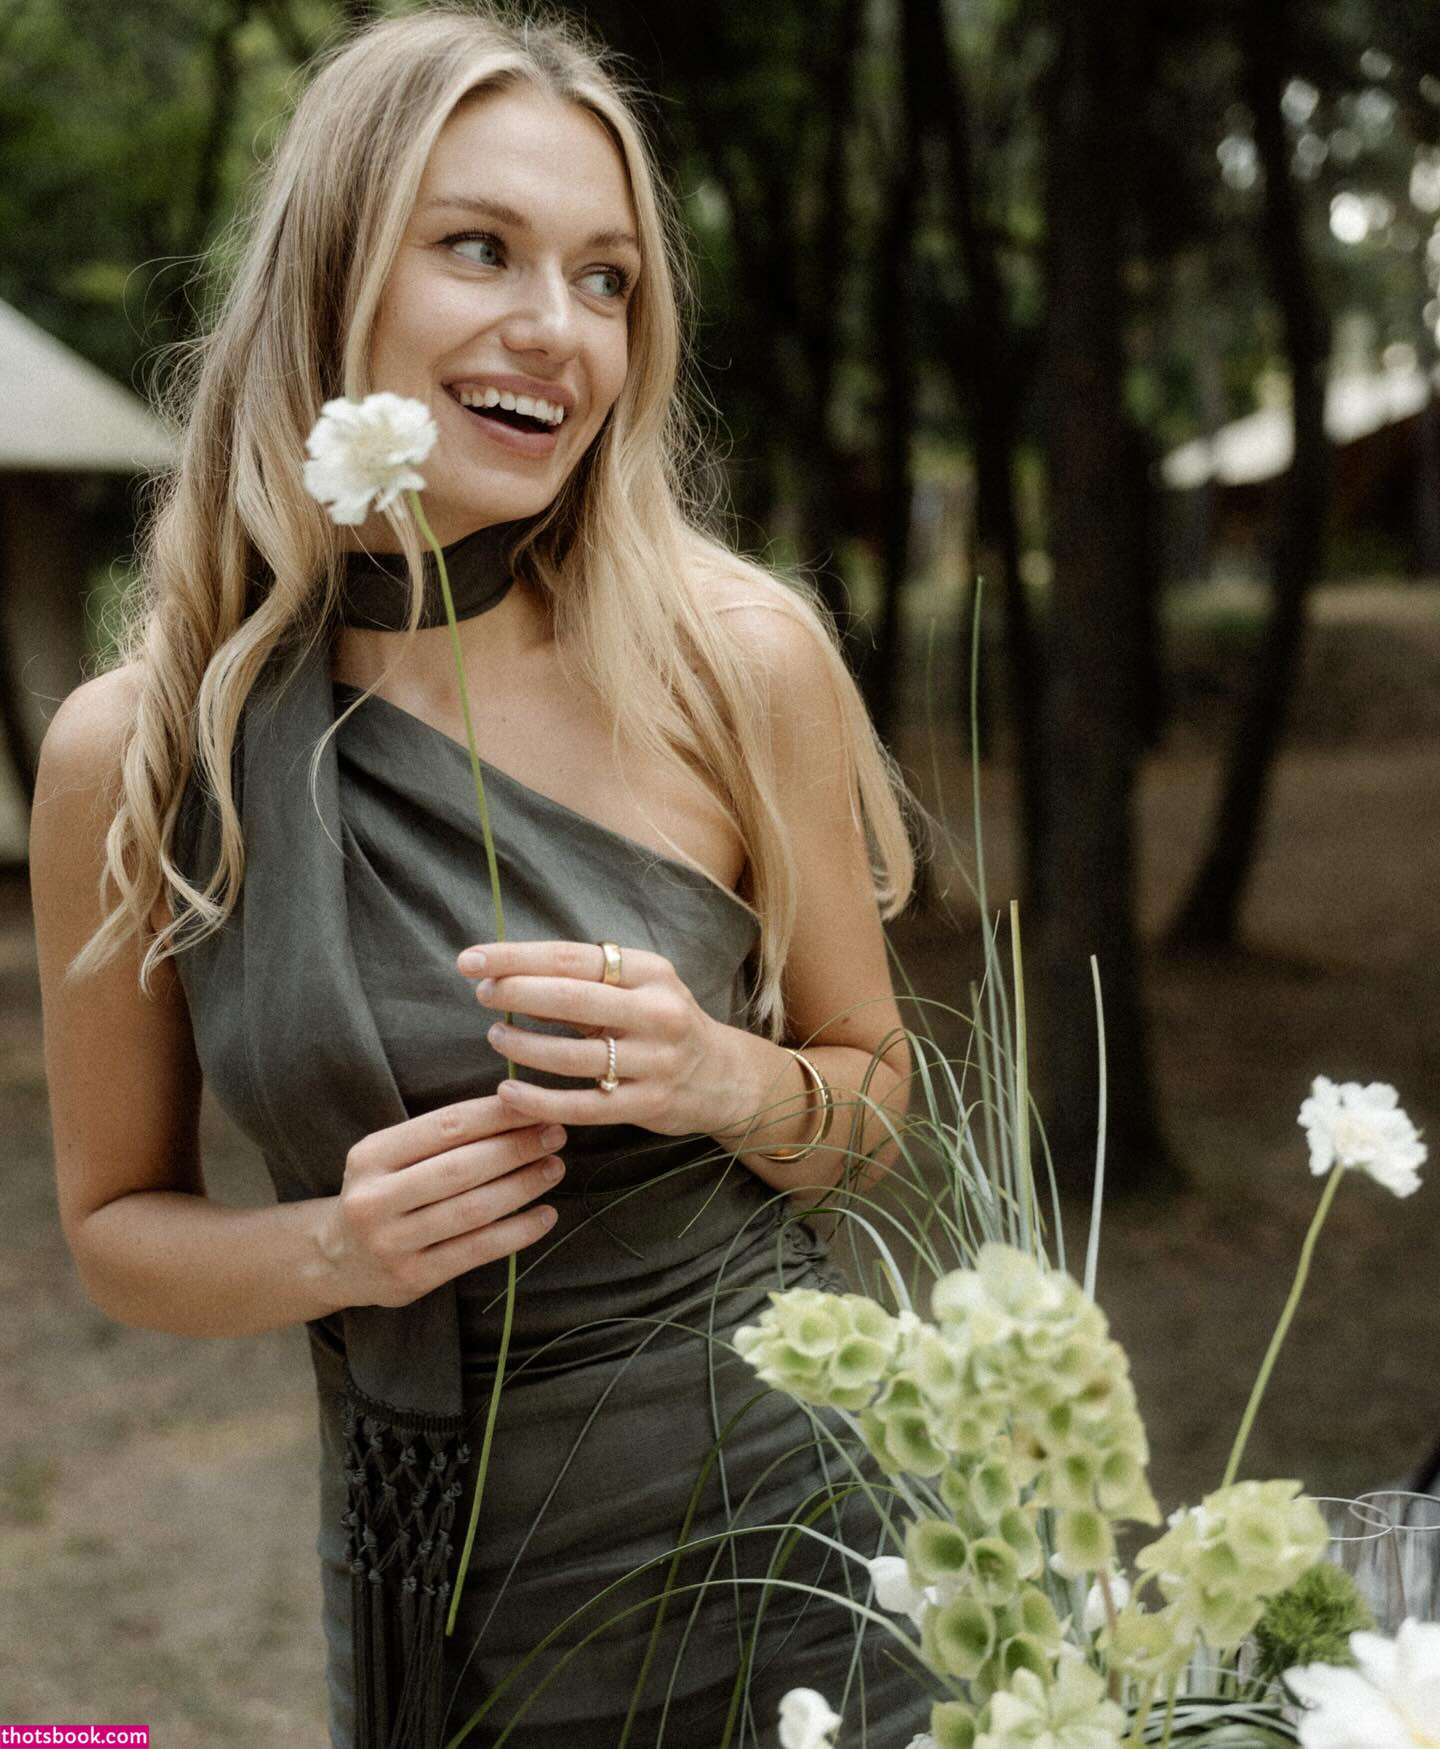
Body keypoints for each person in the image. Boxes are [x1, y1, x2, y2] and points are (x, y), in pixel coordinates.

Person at [30, 5, 936, 1745]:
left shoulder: (736, 659)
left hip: (803, 1552)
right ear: (333, 277)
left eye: (606, 279)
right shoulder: (136, 750)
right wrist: (336, 1247)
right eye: (478, 248)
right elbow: (117, 1233)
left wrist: (722, 1075)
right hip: (435, 1581)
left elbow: (875, 1107)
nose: (557, 328)